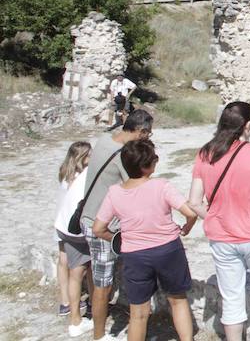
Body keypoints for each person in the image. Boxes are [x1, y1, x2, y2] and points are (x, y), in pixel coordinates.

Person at [189, 102, 250, 341]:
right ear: (247, 126)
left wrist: (215, 217)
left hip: (221, 237)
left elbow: (194, 201)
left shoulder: (205, 154)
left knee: (231, 297)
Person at [92, 139, 197, 341]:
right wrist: (187, 228)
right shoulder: (161, 186)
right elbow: (190, 213)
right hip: (168, 249)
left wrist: (118, 240)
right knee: (178, 301)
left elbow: (98, 228)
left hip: (135, 255)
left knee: (138, 313)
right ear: (147, 166)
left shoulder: (114, 193)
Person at [81, 109, 153, 341]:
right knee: (103, 285)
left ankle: (98, 323)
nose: (149, 136)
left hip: (87, 217)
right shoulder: (123, 155)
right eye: (148, 133)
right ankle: (99, 335)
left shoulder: (104, 140)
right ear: (141, 131)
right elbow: (137, 182)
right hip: (102, 226)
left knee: (97, 276)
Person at [54, 141, 94, 337]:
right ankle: (92, 309)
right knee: (89, 270)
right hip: (77, 229)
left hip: (62, 225)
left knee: (72, 270)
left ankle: (69, 308)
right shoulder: (84, 178)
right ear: (83, 157)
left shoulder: (65, 173)